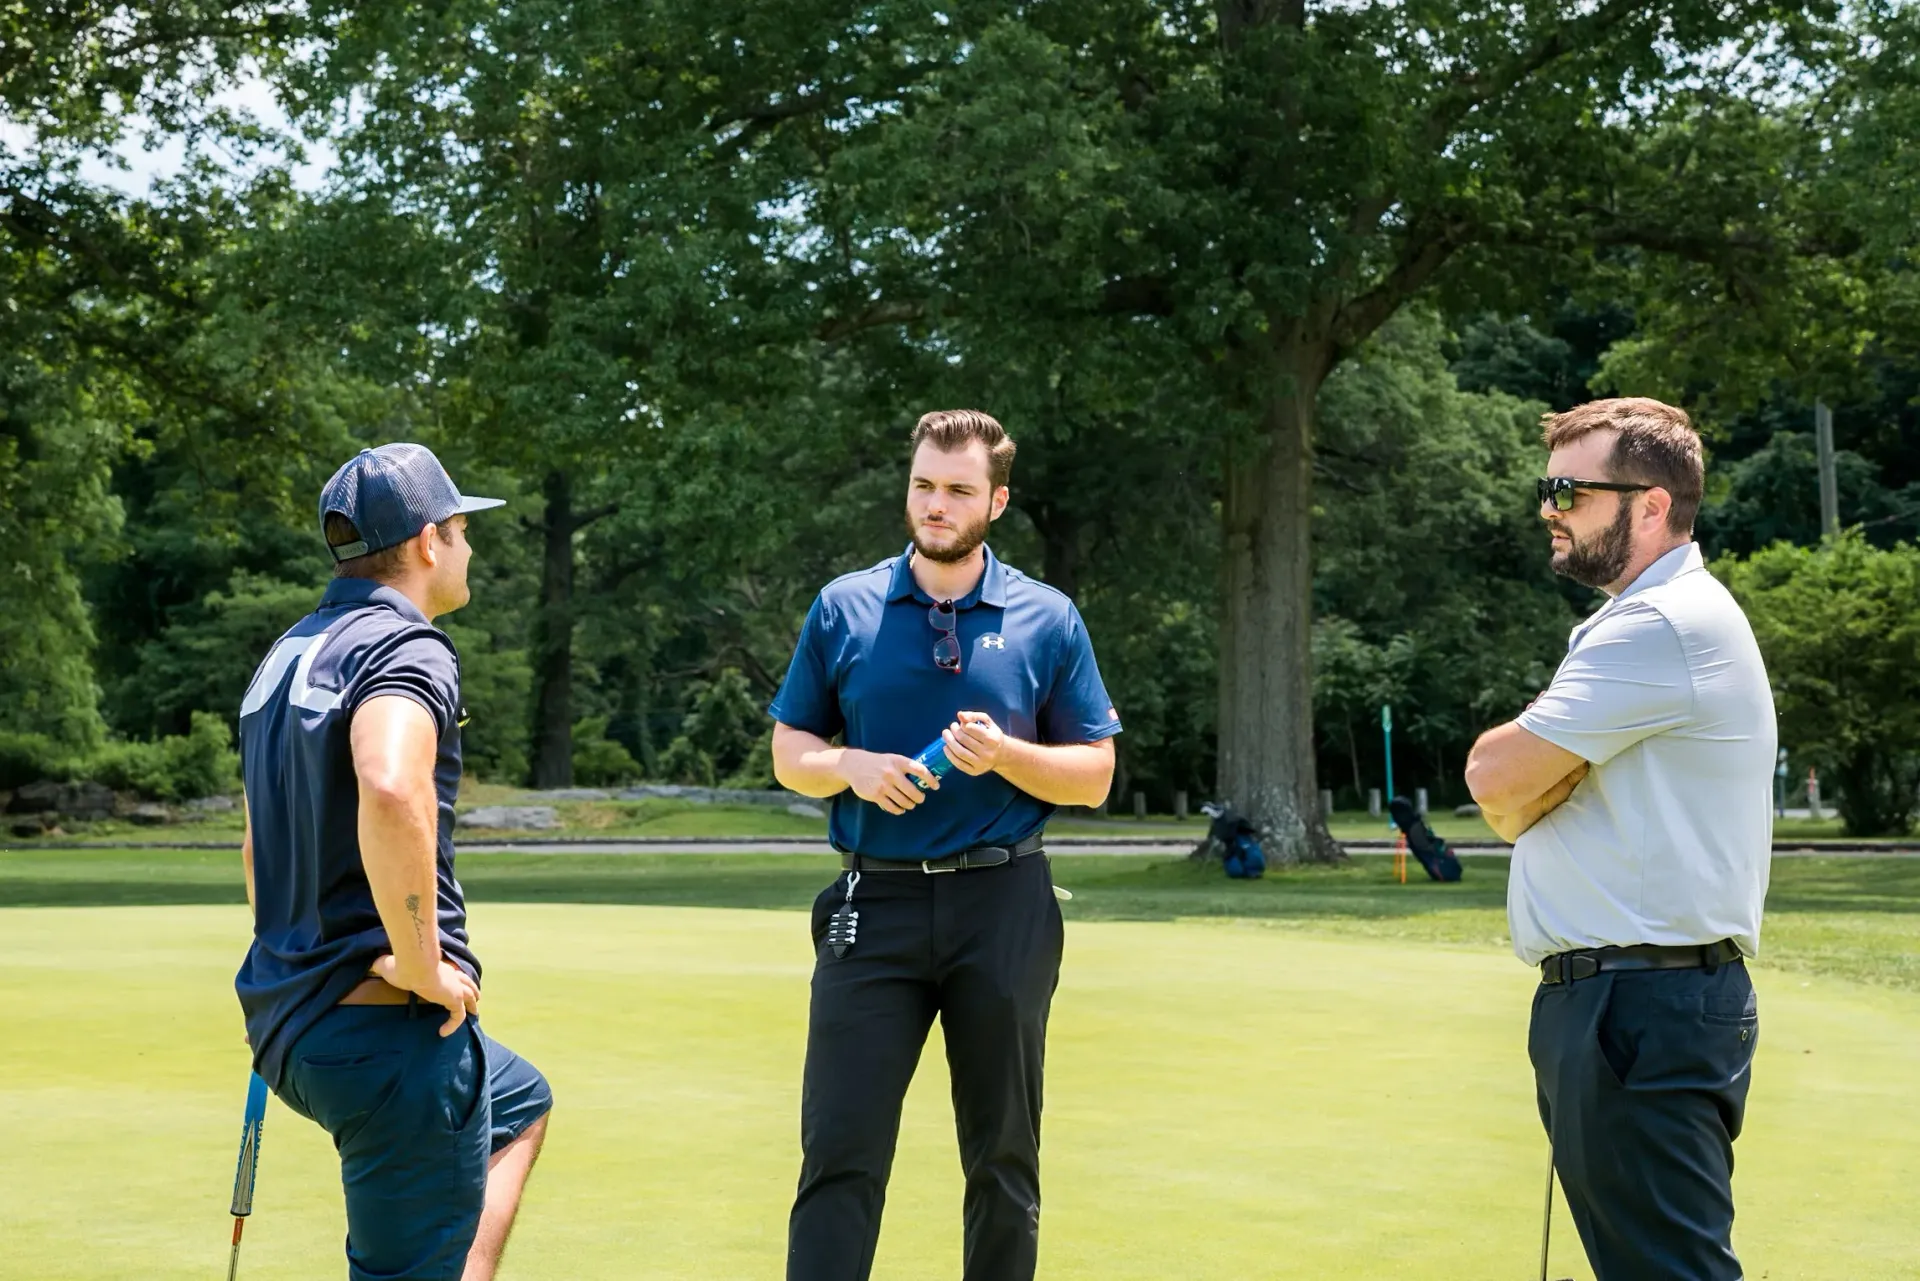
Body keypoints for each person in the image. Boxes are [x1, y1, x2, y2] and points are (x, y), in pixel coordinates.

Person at [770, 409, 1122, 1281]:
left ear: (996, 501)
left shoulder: (1049, 616)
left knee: (1004, 1156)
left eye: (958, 489)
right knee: (840, 1149)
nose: (936, 503)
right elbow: (790, 754)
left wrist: (1006, 754)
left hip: (1002, 905)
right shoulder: (843, 605)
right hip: (872, 907)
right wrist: (850, 764)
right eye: (924, 484)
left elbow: (1095, 773)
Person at [1464, 398, 1774, 1281]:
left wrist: (1540, 780)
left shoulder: (1660, 626)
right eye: (1547, 487)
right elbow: (1515, 791)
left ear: (1649, 504)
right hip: (1630, 999)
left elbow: (1493, 779)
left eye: (1569, 488)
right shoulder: (1642, 621)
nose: (1548, 508)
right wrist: (1542, 779)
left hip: (1641, 1002)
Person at [235, 443, 552, 1281]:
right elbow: (389, 781)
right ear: (425, 542)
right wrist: (421, 963)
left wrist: (296, 963)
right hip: (384, 1030)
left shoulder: (287, 653)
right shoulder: (407, 647)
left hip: (292, 1024)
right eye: (461, 528)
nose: (470, 546)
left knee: (518, 1101)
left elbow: (257, 843)